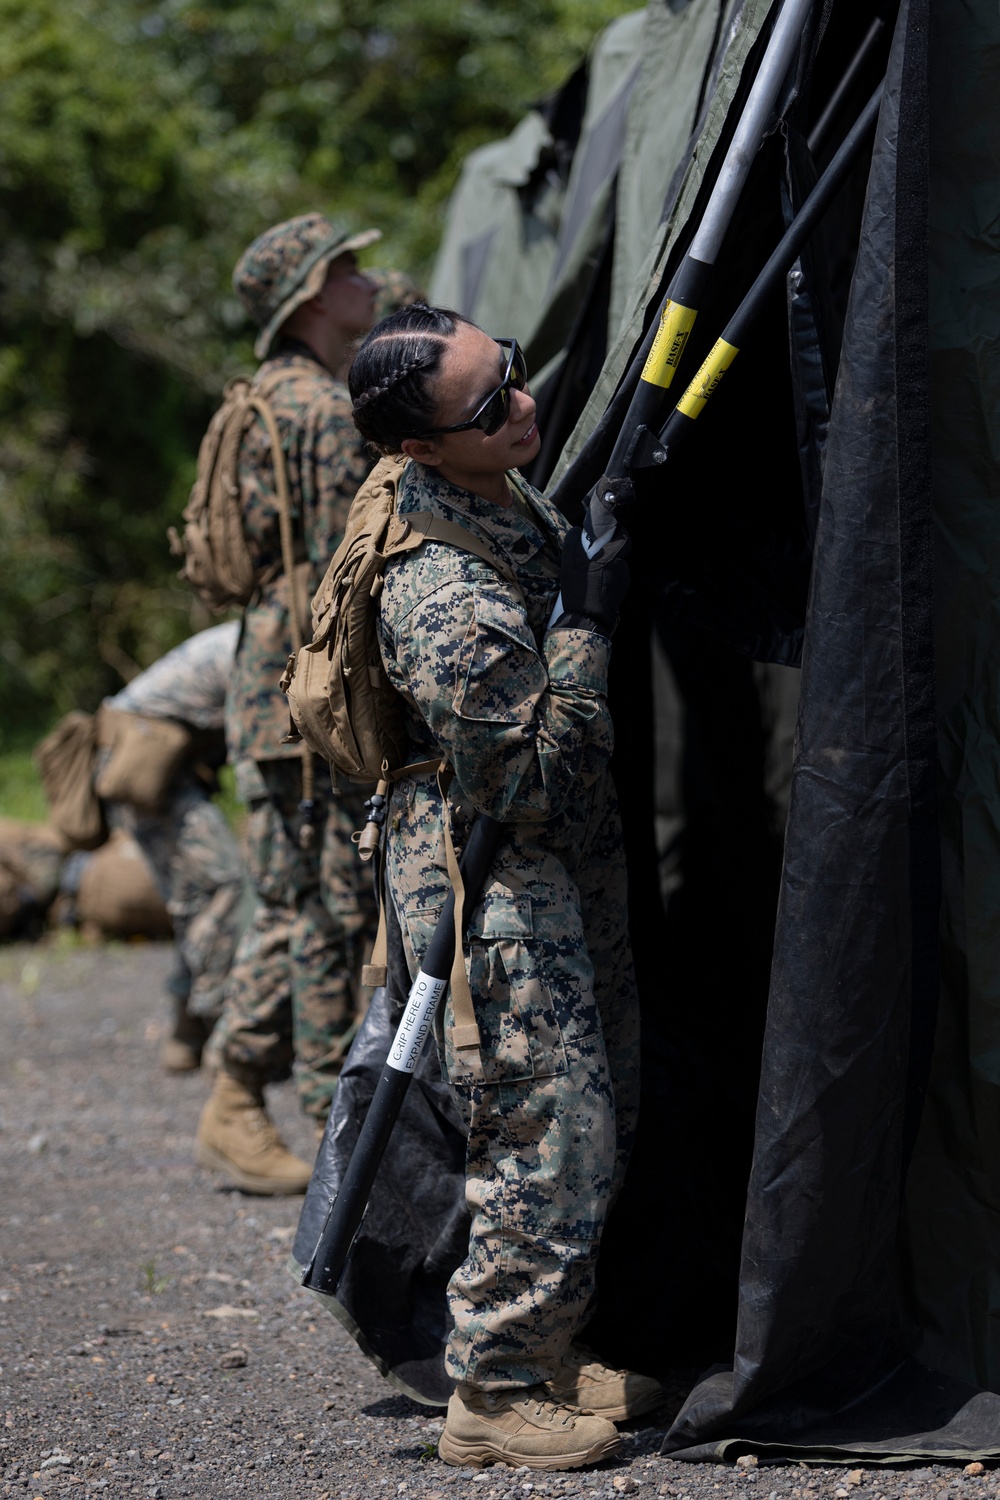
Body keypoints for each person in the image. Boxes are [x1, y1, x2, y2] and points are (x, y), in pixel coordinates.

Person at [348, 305, 661, 1471]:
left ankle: (549, 1350)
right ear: (423, 447)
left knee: (604, 1098)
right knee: (548, 1125)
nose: (523, 407)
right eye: (491, 407)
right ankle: (488, 1392)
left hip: (553, 861)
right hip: (493, 877)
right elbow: (523, 772)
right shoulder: (437, 588)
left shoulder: (490, 484)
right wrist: (585, 621)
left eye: (514, 375)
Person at [195, 213, 381, 1196]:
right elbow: (361, 557)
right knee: (323, 906)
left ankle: (252, 1104)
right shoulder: (318, 408)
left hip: (265, 682)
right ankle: (301, 1113)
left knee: (298, 898)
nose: (366, 278)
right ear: (309, 294)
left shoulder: (264, 396)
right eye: (346, 267)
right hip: (305, 690)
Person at [96, 622, 246, 1071]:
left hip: (157, 761)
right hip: (142, 762)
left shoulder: (242, 634)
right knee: (222, 885)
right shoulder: (253, 644)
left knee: (195, 895)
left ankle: (187, 1033)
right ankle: (218, 1028)